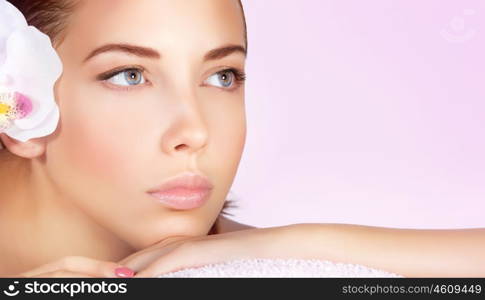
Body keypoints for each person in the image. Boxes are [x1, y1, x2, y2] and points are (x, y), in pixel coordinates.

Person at [0, 0, 483, 278]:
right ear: (16, 102)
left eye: (223, 76)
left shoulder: (230, 263)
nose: (195, 132)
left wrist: (291, 244)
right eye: (129, 75)